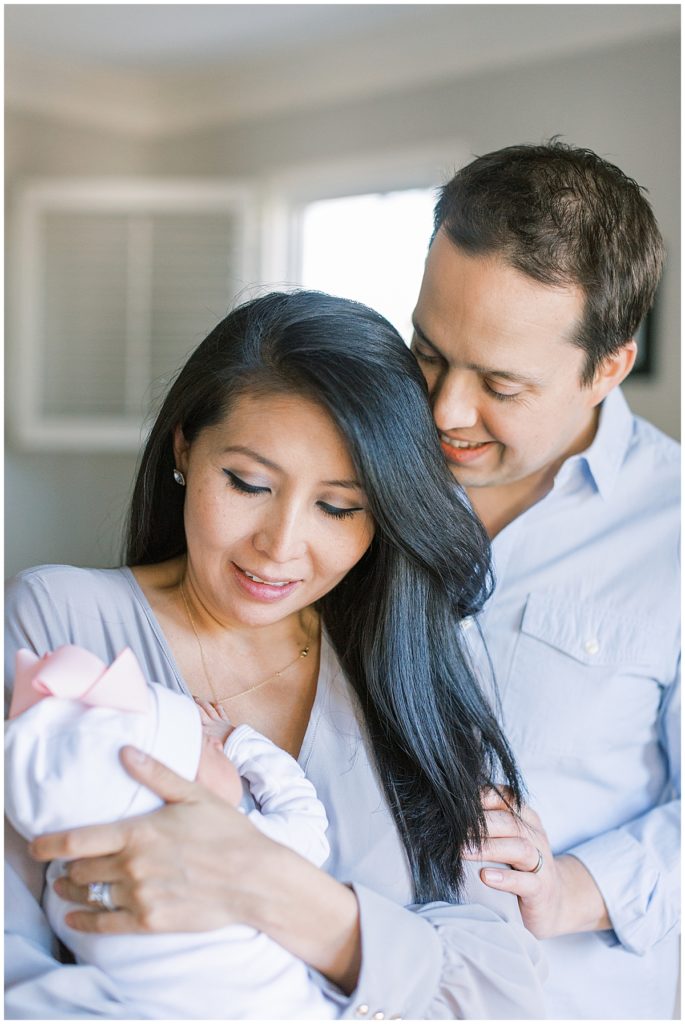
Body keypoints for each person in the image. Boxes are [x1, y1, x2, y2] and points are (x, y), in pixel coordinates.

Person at [5, 290, 546, 1020]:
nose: (281, 545)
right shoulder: (59, 622)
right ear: (184, 448)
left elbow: (503, 991)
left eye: (339, 507)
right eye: (248, 484)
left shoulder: (417, 664)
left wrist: (271, 886)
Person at [410, 140, 680, 1019]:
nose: (445, 411)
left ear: (607, 367)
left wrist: (573, 887)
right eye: (428, 351)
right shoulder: (357, 479)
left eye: (499, 383)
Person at [5, 643, 336, 1020]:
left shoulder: (66, 890)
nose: (216, 744)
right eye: (207, 747)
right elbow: (308, 826)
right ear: (171, 793)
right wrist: (239, 740)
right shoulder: (221, 845)